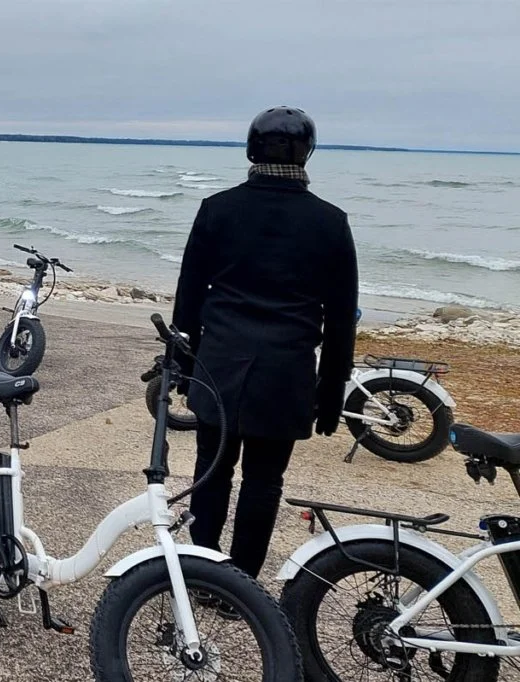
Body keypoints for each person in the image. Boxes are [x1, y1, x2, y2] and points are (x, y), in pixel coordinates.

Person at [171, 106, 358, 583]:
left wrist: (181, 362)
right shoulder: (330, 222)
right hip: (286, 371)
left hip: (219, 365)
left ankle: (203, 569)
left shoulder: (218, 209)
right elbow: (340, 319)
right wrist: (332, 388)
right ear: (307, 154)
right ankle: (241, 581)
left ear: (251, 149)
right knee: (264, 482)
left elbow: (189, 294)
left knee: (210, 472)